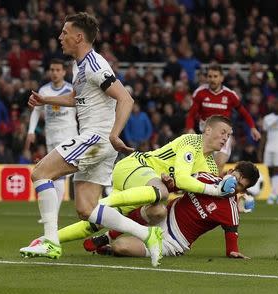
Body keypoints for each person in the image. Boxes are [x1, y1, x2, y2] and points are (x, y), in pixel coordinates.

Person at [20, 12, 163, 267]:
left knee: (41, 173)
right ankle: (148, 234)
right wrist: (45, 100)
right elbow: (76, 99)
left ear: (79, 37)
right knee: (86, 209)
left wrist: (114, 134)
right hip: (98, 142)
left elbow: (126, 98)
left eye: (64, 32)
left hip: (96, 137)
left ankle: (50, 240)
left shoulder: (96, 65)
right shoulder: (81, 66)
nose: (60, 37)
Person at [52, 115, 238, 246]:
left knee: (96, 223)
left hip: (145, 186)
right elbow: (183, 179)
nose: (225, 138)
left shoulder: (211, 167)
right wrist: (214, 190)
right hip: (134, 166)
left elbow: (193, 192)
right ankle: (100, 204)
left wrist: (240, 199)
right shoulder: (192, 142)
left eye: (228, 135)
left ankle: (48, 239)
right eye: (223, 132)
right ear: (208, 130)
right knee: (161, 193)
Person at [84, 161, 260, 259]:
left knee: (121, 247)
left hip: (172, 242)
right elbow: (175, 186)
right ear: (229, 171)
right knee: (158, 210)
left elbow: (232, 248)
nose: (233, 186)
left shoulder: (230, 211)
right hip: (163, 215)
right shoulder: (204, 178)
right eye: (235, 179)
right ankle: (106, 237)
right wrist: (168, 182)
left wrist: (233, 253)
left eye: (239, 186)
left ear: (243, 191)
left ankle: (110, 247)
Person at [185, 64, 261, 172]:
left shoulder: (230, 95)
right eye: (210, 76)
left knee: (219, 164)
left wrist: (253, 127)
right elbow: (191, 114)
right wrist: (189, 128)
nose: (212, 79)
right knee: (200, 167)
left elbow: (244, 112)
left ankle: (213, 187)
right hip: (206, 134)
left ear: (222, 78)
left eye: (215, 76)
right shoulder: (200, 93)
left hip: (223, 135)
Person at [25, 58, 77, 204]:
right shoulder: (44, 90)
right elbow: (36, 111)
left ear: (63, 72)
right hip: (51, 135)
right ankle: (53, 210)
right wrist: (31, 131)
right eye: (52, 70)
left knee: (58, 173)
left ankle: (53, 211)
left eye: (58, 70)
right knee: (54, 174)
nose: (54, 73)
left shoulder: (71, 90)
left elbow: (82, 110)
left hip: (68, 134)